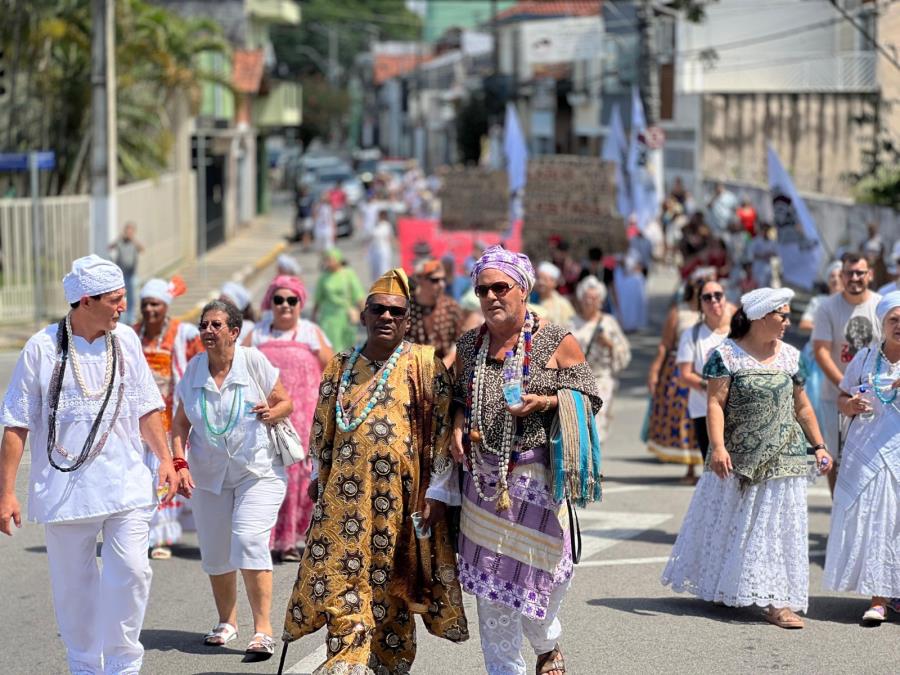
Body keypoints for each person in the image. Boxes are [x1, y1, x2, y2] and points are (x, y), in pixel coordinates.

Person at [282, 268, 469, 674]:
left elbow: (442, 432)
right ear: (364, 315)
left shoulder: (425, 365)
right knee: (340, 578)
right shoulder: (340, 366)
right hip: (343, 501)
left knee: (392, 584)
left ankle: (388, 664)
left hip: (402, 502)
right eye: (379, 309)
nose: (386, 317)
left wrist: (438, 493)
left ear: (406, 320)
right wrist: (318, 478)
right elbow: (323, 429)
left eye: (396, 312)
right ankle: (346, 661)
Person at [0, 254, 178, 674]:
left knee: (132, 571)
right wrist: (6, 492)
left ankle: (123, 665)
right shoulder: (42, 348)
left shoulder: (126, 341)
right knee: (73, 588)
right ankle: (85, 665)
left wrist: (165, 459)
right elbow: (17, 422)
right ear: (85, 301)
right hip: (65, 491)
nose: (123, 307)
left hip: (125, 482)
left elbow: (147, 407)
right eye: (115, 300)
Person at [452, 245, 601, 675]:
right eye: (483, 290)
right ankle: (505, 669)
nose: (491, 297)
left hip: (537, 477)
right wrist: (457, 424)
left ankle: (546, 643)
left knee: (545, 578)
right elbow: (458, 397)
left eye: (501, 287)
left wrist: (547, 402)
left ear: (523, 290)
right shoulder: (469, 344)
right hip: (482, 482)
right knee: (492, 588)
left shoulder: (555, 340)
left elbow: (590, 397)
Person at [662, 287, 833, 629]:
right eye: (782, 315)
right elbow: (715, 403)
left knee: (777, 530)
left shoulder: (790, 356)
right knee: (733, 524)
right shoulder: (726, 355)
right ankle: (727, 585)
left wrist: (819, 445)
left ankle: (778, 602)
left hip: (784, 457)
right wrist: (718, 447)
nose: (788, 322)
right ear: (760, 317)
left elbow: (802, 406)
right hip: (738, 457)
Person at [171, 299, 293, 659]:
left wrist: (272, 412)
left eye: (216, 325)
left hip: (258, 470)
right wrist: (179, 463)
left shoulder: (252, 361)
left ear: (234, 332)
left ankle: (263, 630)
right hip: (209, 475)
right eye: (204, 325)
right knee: (215, 550)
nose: (208, 330)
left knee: (249, 538)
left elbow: (285, 402)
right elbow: (179, 424)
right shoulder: (194, 370)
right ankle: (227, 622)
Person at [823, 291, 900, 623]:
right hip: (868, 452)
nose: (899, 325)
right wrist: (850, 405)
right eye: (894, 319)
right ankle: (879, 599)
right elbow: (842, 397)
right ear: (882, 323)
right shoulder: (866, 357)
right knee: (878, 521)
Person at [245, 275, 333, 563]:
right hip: (264, 414)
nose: (285, 305)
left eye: (291, 300)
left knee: (298, 474)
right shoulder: (257, 334)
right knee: (265, 472)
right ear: (270, 303)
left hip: (303, 415)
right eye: (279, 299)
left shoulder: (310, 332)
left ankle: (292, 540)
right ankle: (264, 538)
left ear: (300, 303)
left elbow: (333, 369)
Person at [134, 276, 204, 559]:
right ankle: (141, 534)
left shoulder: (182, 334)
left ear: (165, 306)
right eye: (145, 304)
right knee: (141, 476)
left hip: (170, 414)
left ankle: (162, 537)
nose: (149, 309)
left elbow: (201, 363)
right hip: (138, 417)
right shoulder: (132, 334)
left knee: (164, 473)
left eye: (155, 304)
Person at [813, 252, 882, 494]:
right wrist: (846, 386)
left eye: (859, 273)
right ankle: (838, 509)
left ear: (869, 275)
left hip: (875, 397)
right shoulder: (827, 308)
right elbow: (821, 351)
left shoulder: (880, 306)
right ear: (841, 276)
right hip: (834, 396)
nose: (854, 278)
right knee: (836, 457)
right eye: (849, 273)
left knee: (873, 457)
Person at [646, 280, 704, 480]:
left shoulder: (715, 313)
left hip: (706, 369)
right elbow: (665, 344)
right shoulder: (679, 312)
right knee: (684, 417)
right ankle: (690, 467)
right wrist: (655, 370)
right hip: (679, 370)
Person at [676, 278, 732, 464]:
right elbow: (685, 375)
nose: (713, 300)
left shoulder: (738, 332)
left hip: (737, 410)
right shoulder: (692, 335)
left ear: (725, 298)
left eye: (718, 295)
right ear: (700, 303)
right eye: (707, 297)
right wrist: (711, 387)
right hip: (704, 411)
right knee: (714, 468)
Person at [569, 276, 631, 441]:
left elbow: (624, 352)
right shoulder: (571, 323)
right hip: (576, 380)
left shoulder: (609, 322)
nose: (590, 302)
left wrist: (609, 344)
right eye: (587, 298)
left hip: (601, 377)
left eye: (594, 298)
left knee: (598, 417)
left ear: (601, 301)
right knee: (578, 422)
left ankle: (595, 454)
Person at [408, 258, 464, 369]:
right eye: (435, 280)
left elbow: (461, 340)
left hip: (445, 369)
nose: (441, 284)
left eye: (443, 279)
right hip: (413, 368)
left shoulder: (450, 306)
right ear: (420, 279)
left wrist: (446, 363)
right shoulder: (407, 307)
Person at [312, 248, 366, 353]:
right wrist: (313, 318)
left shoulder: (348, 274)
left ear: (338, 260)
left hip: (346, 317)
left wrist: (365, 314)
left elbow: (359, 295)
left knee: (347, 348)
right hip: (328, 318)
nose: (328, 262)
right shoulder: (323, 277)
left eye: (330, 259)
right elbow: (318, 299)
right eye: (326, 259)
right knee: (331, 347)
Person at [109, 222, 144, 324]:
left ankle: (131, 318)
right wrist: (119, 238)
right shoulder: (120, 242)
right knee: (122, 297)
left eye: (131, 231)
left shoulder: (134, 243)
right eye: (127, 230)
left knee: (133, 297)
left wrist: (133, 240)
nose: (128, 233)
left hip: (132, 275)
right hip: (121, 276)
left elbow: (142, 249)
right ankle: (123, 319)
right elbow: (110, 247)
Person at [613, 254, 648, 333]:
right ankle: (622, 323)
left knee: (632, 305)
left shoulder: (634, 252)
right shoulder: (618, 255)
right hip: (622, 281)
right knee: (623, 303)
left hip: (631, 281)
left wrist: (632, 271)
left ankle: (632, 324)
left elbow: (640, 266)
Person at [534, 262, 576, 326]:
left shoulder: (563, 305)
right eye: (538, 278)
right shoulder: (529, 298)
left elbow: (570, 326)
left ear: (554, 283)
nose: (541, 282)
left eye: (545, 280)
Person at [747, 223, 779, 288]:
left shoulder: (772, 242)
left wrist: (770, 254)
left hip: (769, 267)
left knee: (771, 287)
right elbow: (750, 255)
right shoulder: (755, 241)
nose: (766, 232)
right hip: (759, 268)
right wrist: (762, 256)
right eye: (764, 230)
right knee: (760, 287)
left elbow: (777, 253)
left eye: (767, 230)